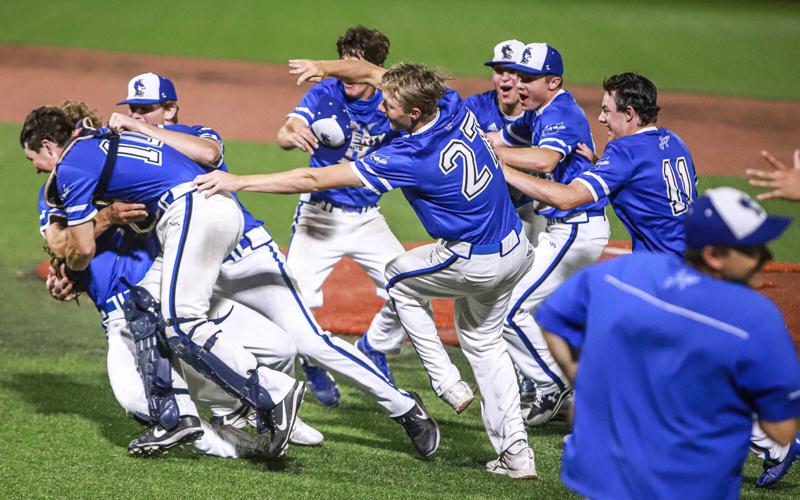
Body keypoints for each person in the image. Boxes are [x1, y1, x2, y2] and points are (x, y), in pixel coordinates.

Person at [195, 58, 537, 478]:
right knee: (486, 346)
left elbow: (312, 179)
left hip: (475, 258)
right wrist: (326, 67)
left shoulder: (409, 154)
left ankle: (445, 381)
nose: (381, 108)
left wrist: (240, 181)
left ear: (413, 113)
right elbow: (376, 74)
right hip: (517, 249)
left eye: (390, 105)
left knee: (398, 276)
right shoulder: (451, 105)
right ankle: (516, 455)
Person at [109, 73, 430, 457]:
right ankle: (226, 414)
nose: (140, 117)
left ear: (171, 109)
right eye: (134, 111)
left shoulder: (193, 133)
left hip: (245, 256)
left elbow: (209, 154)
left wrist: (133, 129)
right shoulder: (131, 158)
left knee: (309, 341)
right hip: (193, 270)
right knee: (151, 316)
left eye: (148, 110)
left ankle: (405, 408)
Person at [21, 105, 307, 458]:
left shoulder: (76, 165)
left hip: (190, 218)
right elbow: (61, 244)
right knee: (144, 311)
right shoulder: (112, 150)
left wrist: (75, 261)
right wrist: (83, 251)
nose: (34, 168)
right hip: (198, 222)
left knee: (187, 324)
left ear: (50, 145)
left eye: (33, 157)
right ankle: (202, 422)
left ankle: (270, 396)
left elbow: (80, 247)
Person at [536, 187, 800, 498]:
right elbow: (781, 429)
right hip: (689, 485)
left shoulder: (621, 273)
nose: (765, 258)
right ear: (713, 255)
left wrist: (577, 374)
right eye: (752, 250)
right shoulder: (754, 317)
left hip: (603, 479)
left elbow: (552, 317)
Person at [486, 43, 610, 426]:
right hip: (564, 230)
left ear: (552, 81)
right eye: (516, 77)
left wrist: (496, 156)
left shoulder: (561, 111)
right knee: (532, 309)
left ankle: (553, 386)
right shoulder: (536, 112)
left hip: (576, 230)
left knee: (509, 310)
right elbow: (499, 137)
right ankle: (554, 382)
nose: (518, 85)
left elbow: (544, 160)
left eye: (528, 78)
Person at [276, 26, 405, 386]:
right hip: (319, 215)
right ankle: (311, 356)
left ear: (374, 68)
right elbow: (287, 130)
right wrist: (290, 134)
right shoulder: (326, 92)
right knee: (293, 301)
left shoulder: (391, 100)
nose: (345, 70)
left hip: (368, 220)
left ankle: (375, 346)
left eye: (355, 64)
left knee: (410, 287)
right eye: (342, 61)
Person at [502, 71, 698, 258]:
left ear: (628, 113)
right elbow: (652, 183)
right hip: (694, 253)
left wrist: (504, 170)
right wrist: (598, 162)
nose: (601, 118)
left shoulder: (625, 151)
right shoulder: (673, 141)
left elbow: (567, 198)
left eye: (606, 111)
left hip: (662, 265)